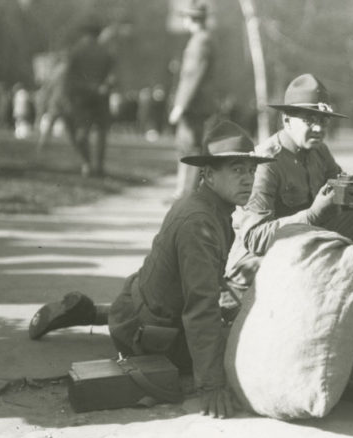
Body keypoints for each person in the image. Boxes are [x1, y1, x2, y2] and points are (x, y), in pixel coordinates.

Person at [27, 121, 274, 418]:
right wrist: (211, 385)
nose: (248, 179)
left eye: (252, 170)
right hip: (149, 336)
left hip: (135, 306)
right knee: (248, 344)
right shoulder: (200, 223)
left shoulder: (206, 206)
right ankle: (96, 315)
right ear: (208, 175)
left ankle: (90, 313)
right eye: (237, 170)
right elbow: (200, 309)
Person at [224, 73, 353, 303]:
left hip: (299, 249)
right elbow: (255, 238)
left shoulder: (320, 152)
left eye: (324, 121)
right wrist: (312, 215)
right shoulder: (265, 163)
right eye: (309, 120)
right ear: (286, 120)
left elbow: (341, 189)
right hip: (255, 267)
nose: (318, 128)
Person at [169, 0, 219, 198]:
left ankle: (186, 195)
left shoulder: (200, 41)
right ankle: (184, 193)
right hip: (198, 103)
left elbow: (193, 75)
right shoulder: (202, 39)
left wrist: (181, 105)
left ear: (191, 19)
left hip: (194, 105)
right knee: (189, 148)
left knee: (189, 149)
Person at [64, 19, 116, 177]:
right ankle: (98, 166)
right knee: (100, 133)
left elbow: (69, 78)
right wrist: (104, 87)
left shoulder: (76, 51)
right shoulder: (106, 52)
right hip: (100, 97)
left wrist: (68, 96)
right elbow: (113, 76)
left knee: (81, 132)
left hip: (81, 98)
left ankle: (87, 163)